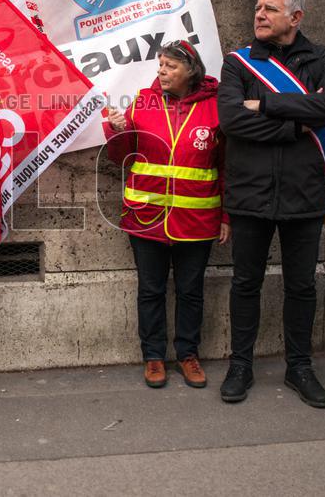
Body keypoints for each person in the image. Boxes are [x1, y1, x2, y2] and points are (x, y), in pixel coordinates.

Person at [217, 0, 325, 407]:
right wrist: (297, 122)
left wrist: (268, 105)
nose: (259, 15)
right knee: (245, 283)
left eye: (270, 9)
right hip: (250, 193)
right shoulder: (237, 64)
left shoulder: (324, 58)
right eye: (258, 8)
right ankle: (241, 365)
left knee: (302, 287)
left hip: (304, 194)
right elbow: (233, 121)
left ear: (295, 17)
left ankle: (300, 367)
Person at [105, 40, 230, 389]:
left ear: (191, 71)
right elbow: (121, 157)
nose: (161, 70)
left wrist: (226, 217)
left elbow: (226, 167)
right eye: (160, 64)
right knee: (151, 290)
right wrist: (116, 131)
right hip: (146, 218)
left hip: (197, 222)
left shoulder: (217, 108)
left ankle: (188, 355)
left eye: (170, 66)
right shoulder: (142, 102)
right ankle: (154, 356)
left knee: (191, 291)